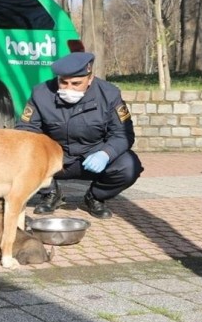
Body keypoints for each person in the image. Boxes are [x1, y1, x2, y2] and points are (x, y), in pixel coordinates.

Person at [15, 52, 143, 219]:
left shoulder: (109, 94)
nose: (68, 88)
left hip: (93, 156)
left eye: (76, 83)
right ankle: (50, 193)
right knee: (21, 154)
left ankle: (95, 197)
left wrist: (105, 154)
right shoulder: (41, 94)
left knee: (129, 165)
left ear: (90, 79)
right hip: (55, 159)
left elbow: (123, 133)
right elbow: (24, 130)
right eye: (63, 82)